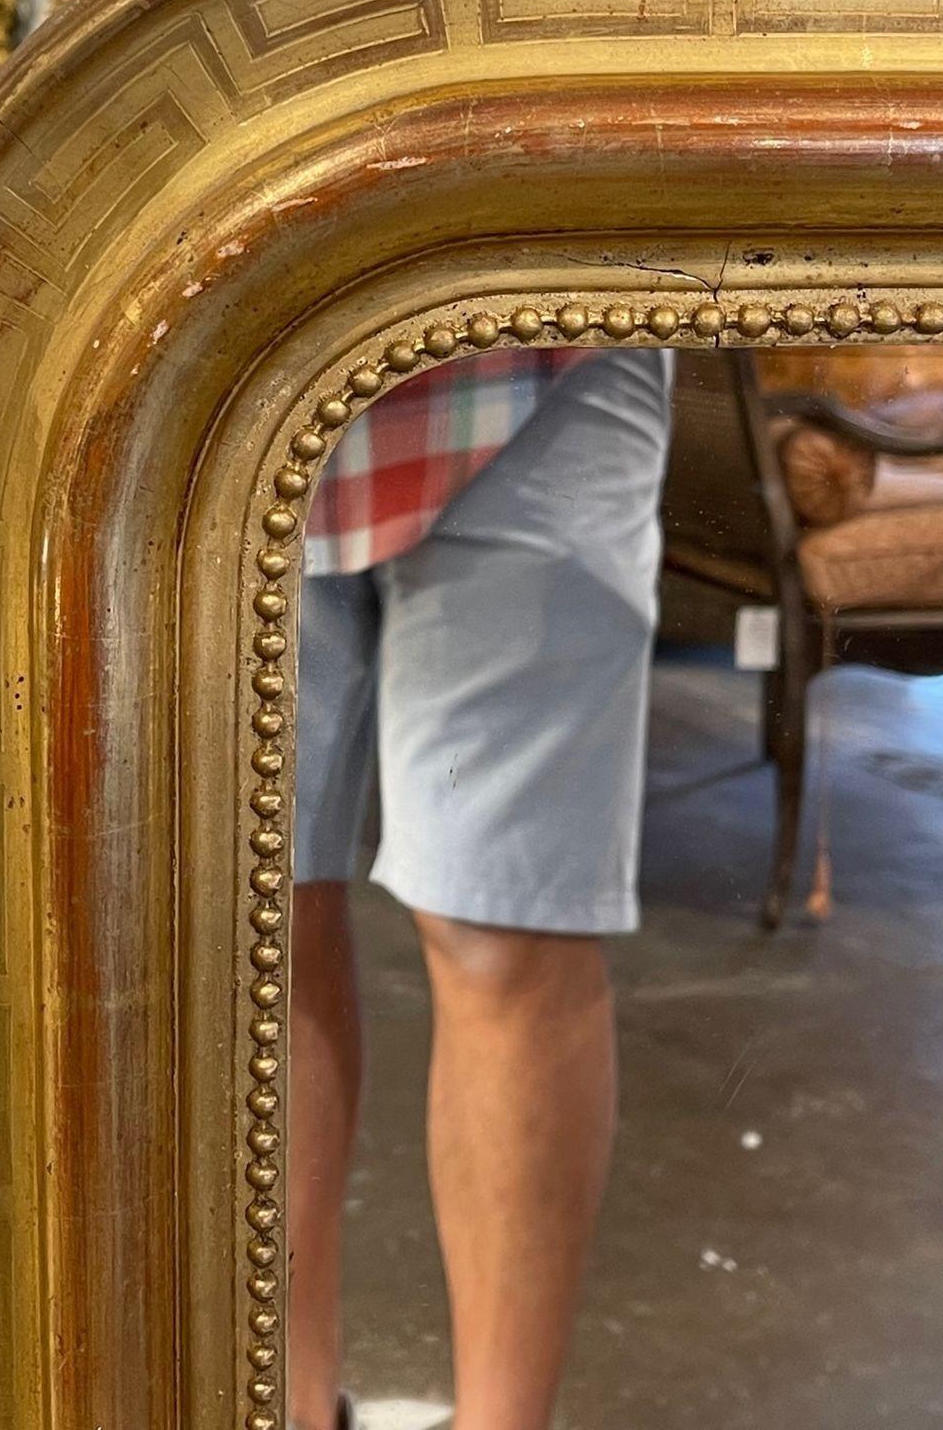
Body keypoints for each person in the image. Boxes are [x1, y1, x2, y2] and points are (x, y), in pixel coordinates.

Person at [289, 345, 674, 1430]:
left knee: (504, 918)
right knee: (256, 920)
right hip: (240, 329)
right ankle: (285, 1403)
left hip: (540, 319)